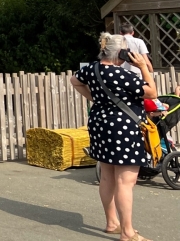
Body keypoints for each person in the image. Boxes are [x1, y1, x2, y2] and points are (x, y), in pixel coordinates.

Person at [70, 33, 157, 241]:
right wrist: (144, 66)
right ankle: (127, 232)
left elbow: (74, 80)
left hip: (100, 124)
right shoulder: (123, 76)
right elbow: (152, 93)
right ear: (122, 53)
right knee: (126, 181)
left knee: (107, 175)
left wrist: (95, 99)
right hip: (123, 128)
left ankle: (111, 222)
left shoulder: (92, 69)